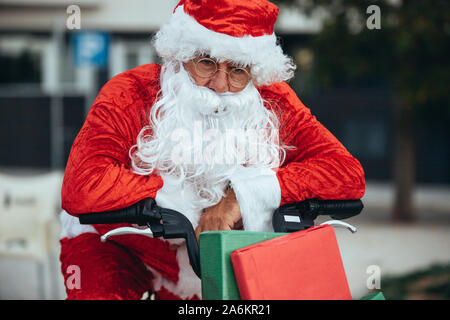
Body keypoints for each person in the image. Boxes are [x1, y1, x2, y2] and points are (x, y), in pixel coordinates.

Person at [59, 0, 365, 300]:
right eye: (206, 62)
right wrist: (180, 201)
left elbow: (346, 173)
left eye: (237, 70)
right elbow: (82, 185)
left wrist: (241, 198)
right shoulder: (130, 91)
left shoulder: (274, 100)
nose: (219, 85)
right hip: (122, 242)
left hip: (210, 255)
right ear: (181, 56)